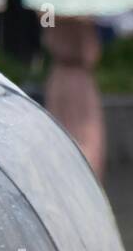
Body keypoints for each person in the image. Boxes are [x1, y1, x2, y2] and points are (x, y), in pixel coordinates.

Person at [41, 16, 105, 179]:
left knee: (59, 131)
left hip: (59, 77)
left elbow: (45, 27)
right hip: (80, 80)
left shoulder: (49, 8)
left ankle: (62, 178)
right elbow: (91, 52)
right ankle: (86, 181)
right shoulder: (84, 13)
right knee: (86, 133)